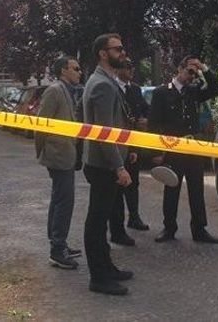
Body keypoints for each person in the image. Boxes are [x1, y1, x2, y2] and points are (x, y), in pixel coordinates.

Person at [149, 55, 218, 243]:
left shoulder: (193, 91)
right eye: (189, 71)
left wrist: (204, 69)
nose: (192, 76)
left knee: (196, 190)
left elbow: (216, 88)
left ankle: (199, 229)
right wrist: (156, 152)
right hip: (173, 147)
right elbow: (154, 124)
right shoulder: (161, 92)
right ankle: (169, 228)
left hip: (192, 147)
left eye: (194, 73)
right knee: (171, 188)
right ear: (180, 69)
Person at [82, 33, 134, 296]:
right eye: (117, 49)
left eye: (122, 48)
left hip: (107, 162)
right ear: (103, 53)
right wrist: (118, 166)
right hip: (103, 165)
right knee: (97, 221)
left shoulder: (106, 80)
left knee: (101, 220)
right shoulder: (101, 84)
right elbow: (103, 133)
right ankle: (98, 277)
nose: (123, 52)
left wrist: (127, 153)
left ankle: (106, 267)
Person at [35, 56, 83, 269]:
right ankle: (57, 250)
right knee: (65, 202)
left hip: (66, 154)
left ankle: (58, 242)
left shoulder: (68, 91)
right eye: (76, 69)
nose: (80, 72)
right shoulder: (54, 91)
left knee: (59, 199)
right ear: (64, 70)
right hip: (58, 155)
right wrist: (42, 152)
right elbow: (41, 124)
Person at [108, 58, 150, 247]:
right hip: (115, 145)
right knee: (116, 188)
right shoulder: (111, 88)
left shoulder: (135, 90)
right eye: (127, 67)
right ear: (118, 70)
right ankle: (116, 228)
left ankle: (134, 217)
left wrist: (145, 120)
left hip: (132, 143)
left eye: (133, 67)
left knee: (133, 183)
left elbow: (145, 111)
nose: (132, 70)